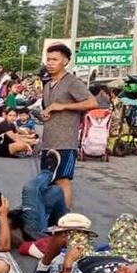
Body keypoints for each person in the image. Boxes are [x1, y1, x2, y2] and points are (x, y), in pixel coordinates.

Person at [39, 43, 96, 209]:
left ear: (65, 61)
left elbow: (92, 102)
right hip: (49, 140)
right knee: (48, 180)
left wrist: (63, 106)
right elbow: (52, 108)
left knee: (62, 179)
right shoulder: (48, 84)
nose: (50, 63)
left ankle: (65, 219)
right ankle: (53, 217)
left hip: (65, 142)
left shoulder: (71, 82)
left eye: (54, 59)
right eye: (48, 59)